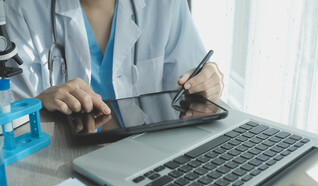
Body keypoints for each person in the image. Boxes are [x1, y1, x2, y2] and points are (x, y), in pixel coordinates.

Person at [5, 0, 224, 115]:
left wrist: (207, 83)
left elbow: (189, 87)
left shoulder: (165, 4)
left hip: (148, 152)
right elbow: (8, 109)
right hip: (60, 156)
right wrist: (40, 101)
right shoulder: (22, 8)